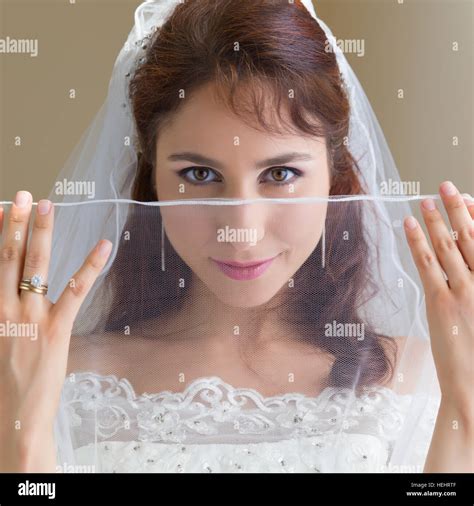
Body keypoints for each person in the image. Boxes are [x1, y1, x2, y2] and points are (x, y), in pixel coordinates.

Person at [0, 0, 472, 473]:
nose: (241, 230)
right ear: (152, 178)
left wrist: (466, 415)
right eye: (200, 174)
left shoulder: (427, 376)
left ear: (335, 173)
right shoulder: (51, 371)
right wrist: (21, 436)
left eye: (281, 173)